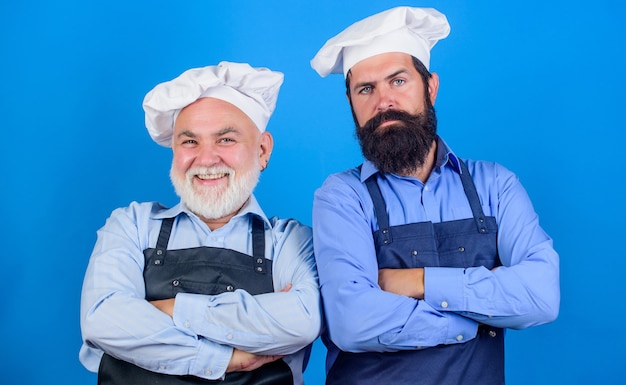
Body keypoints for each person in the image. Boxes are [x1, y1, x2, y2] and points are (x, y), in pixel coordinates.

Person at [309, 7, 560, 385]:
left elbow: (541, 297)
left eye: (398, 81)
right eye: (366, 89)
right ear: (351, 104)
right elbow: (353, 324)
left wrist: (415, 282)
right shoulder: (343, 197)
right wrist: (478, 312)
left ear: (430, 87)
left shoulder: (495, 185)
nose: (383, 101)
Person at [79, 61, 322, 385]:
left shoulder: (290, 240)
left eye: (225, 140)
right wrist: (225, 359)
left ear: (262, 150)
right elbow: (103, 319)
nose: (206, 159)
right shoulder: (131, 224)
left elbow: (302, 322)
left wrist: (168, 309)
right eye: (189, 141)